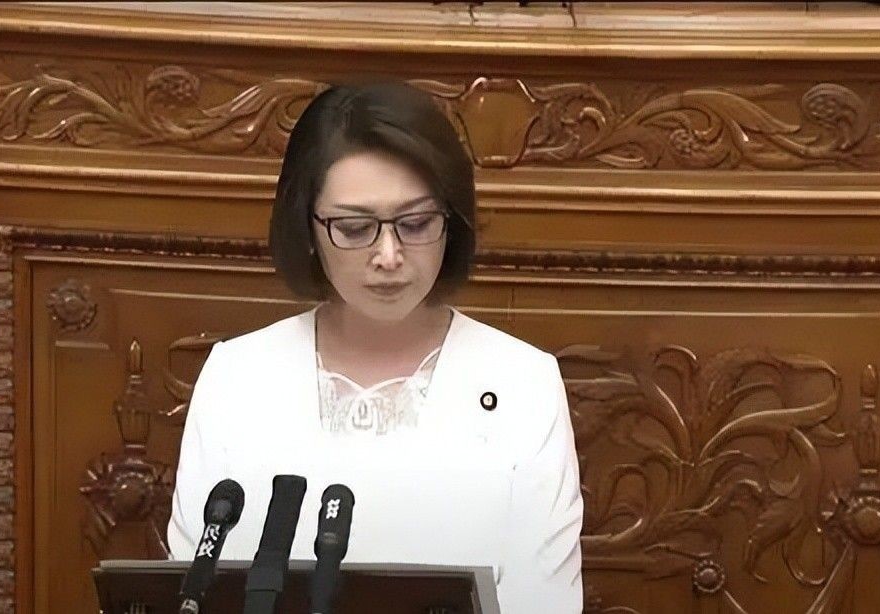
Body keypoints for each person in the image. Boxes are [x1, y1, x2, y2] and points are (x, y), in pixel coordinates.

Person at [167, 81, 583, 612]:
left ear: (452, 221)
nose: (389, 256)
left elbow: (545, 601)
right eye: (354, 228)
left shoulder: (524, 383)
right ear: (308, 228)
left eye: (416, 223)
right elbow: (193, 586)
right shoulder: (236, 377)